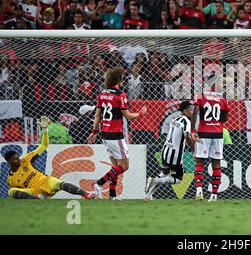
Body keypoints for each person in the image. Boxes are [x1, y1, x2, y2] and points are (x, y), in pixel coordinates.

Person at [87, 67, 148, 200]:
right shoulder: (120, 95)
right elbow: (129, 116)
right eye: (121, 78)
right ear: (118, 80)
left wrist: (94, 132)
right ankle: (99, 183)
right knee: (125, 166)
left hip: (105, 134)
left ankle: (112, 195)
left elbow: (97, 115)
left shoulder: (102, 94)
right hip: (116, 134)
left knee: (115, 166)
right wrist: (140, 113)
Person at [4, 116, 94, 200]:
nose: (18, 159)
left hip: (46, 182)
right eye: (15, 159)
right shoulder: (11, 179)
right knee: (11, 191)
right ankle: (36, 198)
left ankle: (86, 194)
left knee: (58, 183)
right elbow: (19, 192)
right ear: (9, 162)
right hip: (33, 191)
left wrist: (45, 130)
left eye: (18, 157)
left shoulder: (26, 159)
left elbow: (44, 145)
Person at [144, 101, 195, 200]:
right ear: (185, 110)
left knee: (164, 173)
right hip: (175, 155)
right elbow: (187, 137)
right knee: (178, 179)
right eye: (191, 109)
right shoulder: (186, 121)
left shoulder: (175, 118)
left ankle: (148, 195)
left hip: (165, 151)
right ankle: (156, 181)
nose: (192, 111)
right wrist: (195, 150)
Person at [191, 85, 229, 202]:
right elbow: (225, 117)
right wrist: (216, 123)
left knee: (199, 162)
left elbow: (195, 113)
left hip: (203, 132)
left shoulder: (200, 97)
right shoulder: (223, 99)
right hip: (218, 133)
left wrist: (193, 130)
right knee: (216, 163)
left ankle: (199, 191)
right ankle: (214, 195)